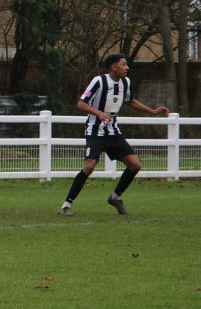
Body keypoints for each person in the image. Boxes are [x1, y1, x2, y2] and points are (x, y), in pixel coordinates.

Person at [58, 54, 170, 217]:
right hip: (95, 131)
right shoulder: (99, 81)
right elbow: (81, 103)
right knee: (88, 167)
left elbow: (130, 101)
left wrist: (152, 111)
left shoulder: (126, 82)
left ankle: (115, 197)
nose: (127, 67)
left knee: (135, 165)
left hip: (113, 132)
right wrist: (100, 114)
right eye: (123, 65)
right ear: (113, 67)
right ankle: (65, 206)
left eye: (126, 65)